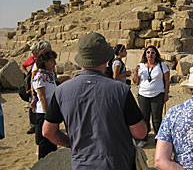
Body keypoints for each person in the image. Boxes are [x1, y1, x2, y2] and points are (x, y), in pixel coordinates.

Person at [42, 32, 147, 170]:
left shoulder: (61, 91)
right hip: (117, 163)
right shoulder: (121, 90)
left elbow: (48, 131)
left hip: (82, 164)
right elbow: (140, 132)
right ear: (105, 59)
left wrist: (71, 143)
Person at [133, 45, 170, 148]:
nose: (150, 54)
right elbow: (135, 82)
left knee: (157, 118)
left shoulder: (162, 65)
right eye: (148, 52)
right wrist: (136, 72)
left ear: (156, 54)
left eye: (152, 53)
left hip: (158, 94)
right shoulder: (141, 66)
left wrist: (166, 93)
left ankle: (158, 139)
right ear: (145, 54)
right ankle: (143, 138)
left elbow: (167, 80)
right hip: (143, 94)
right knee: (144, 117)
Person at [20, 41, 51, 134]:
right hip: (37, 89)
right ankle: (34, 126)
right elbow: (33, 78)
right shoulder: (36, 62)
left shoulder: (48, 61)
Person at [32, 50, 58, 159]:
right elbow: (42, 98)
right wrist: (48, 117)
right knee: (44, 143)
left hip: (51, 111)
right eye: (52, 60)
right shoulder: (40, 77)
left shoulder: (50, 74)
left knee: (53, 142)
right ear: (45, 61)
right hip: (44, 113)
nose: (54, 63)